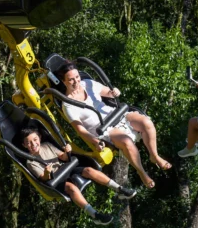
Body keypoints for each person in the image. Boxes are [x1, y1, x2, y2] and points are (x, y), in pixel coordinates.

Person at [55, 61, 171, 189]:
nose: (76, 81)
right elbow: (80, 130)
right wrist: (94, 141)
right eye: (71, 80)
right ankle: (142, 173)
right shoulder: (68, 105)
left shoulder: (88, 83)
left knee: (146, 122)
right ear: (64, 81)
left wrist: (114, 91)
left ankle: (154, 156)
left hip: (114, 114)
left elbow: (108, 92)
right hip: (102, 128)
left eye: (77, 77)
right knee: (127, 142)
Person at [20, 128, 137, 225]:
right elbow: (43, 178)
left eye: (35, 139)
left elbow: (64, 158)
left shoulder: (47, 145)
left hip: (67, 168)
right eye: (29, 142)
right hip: (56, 180)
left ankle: (119, 189)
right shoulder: (30, 162)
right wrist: (47, 173)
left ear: (39, 138)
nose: (33, 144)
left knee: (89, 170)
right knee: (72, 188)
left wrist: (67, 152)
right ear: (24, 145)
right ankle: (95, 215)